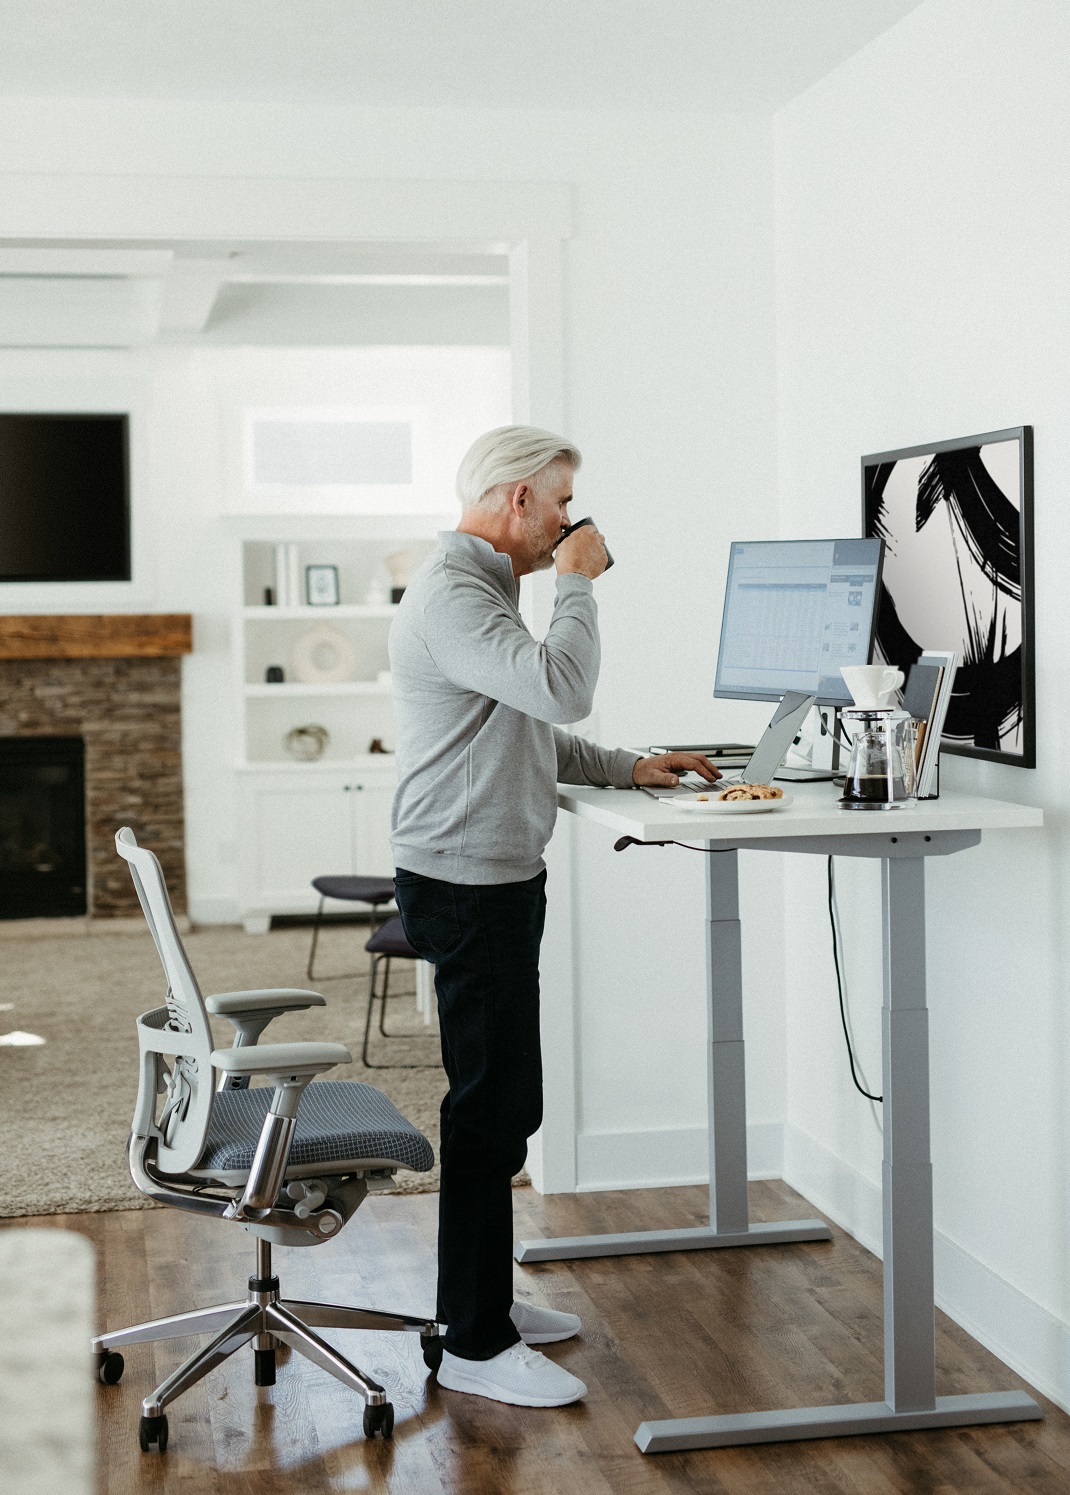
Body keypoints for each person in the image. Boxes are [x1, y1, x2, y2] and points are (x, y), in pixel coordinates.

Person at [389, 426, 718, 1408]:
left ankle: (477, 1305)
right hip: (464, 879)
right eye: (562, 504)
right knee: (488, 1110)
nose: (574, 524)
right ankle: (474, 1343)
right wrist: (580, 580)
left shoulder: (484, 592)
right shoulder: (456, 594)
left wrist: (629, 767)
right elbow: (561, 684)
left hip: (484, 873)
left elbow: (526, 724)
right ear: (514, 500)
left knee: (504, 1104)